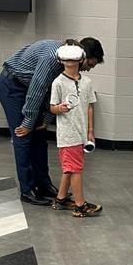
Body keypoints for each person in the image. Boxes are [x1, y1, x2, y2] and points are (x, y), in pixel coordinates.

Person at [0, 36, 104, 205]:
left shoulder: (66, 64)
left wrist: (46, 120)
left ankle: (43, 185)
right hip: (13, 85)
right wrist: (28, 122)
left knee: (40, 135)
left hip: (28, 87)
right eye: (89, 64)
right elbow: (37, 90)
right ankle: (27, 190)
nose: (88, 69)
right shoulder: (53, 58)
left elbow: (50, 95)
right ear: (81, 56)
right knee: (23, 136)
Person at [49, 42, 102, 217]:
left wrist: (90, 131)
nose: (69, 62)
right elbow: (52, 108)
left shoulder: (87, 82)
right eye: (66, 59)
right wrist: (59, 108)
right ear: (61, 60)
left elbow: (89, 106)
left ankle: (61, 199)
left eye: (73, 59)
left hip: (81, 134)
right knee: (76, 169)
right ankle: (80, 205)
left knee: (70, 168)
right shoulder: (58, 82)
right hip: (67, 134)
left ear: (81, 60)